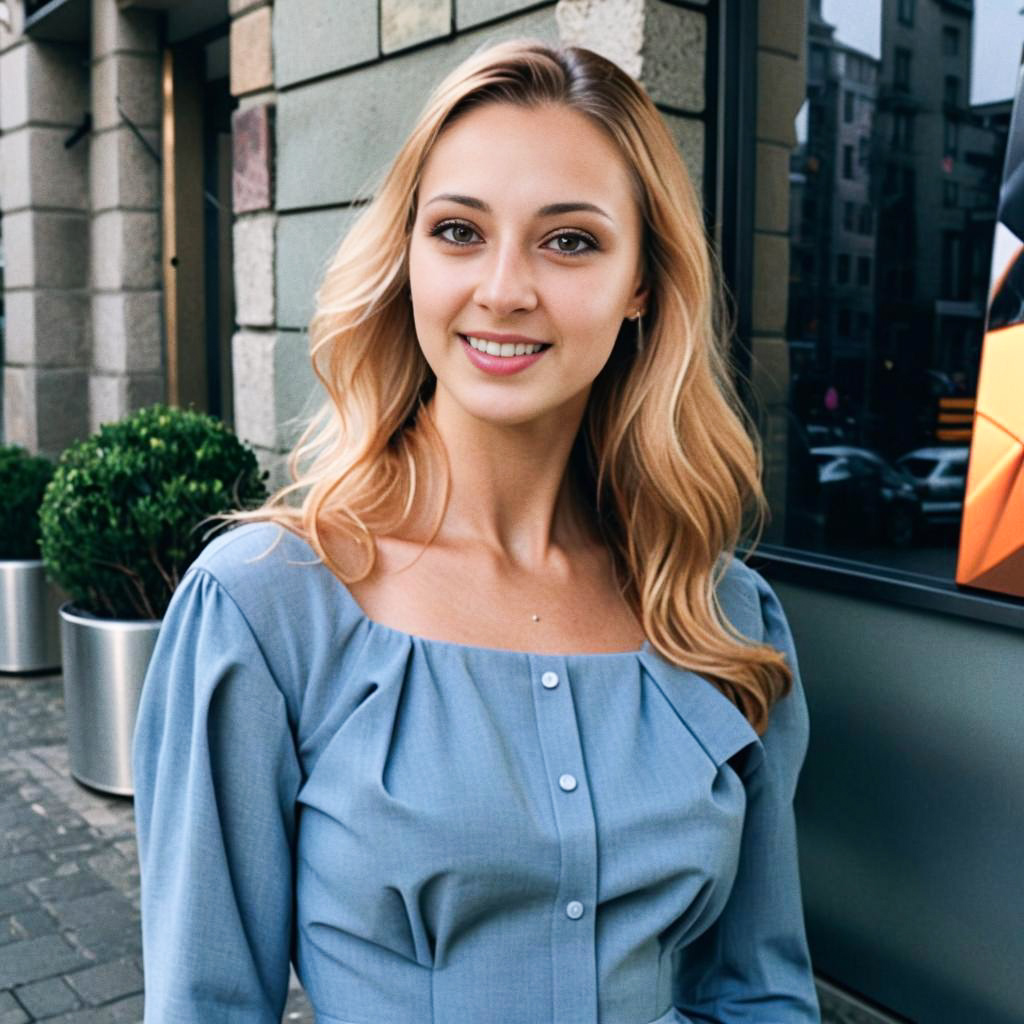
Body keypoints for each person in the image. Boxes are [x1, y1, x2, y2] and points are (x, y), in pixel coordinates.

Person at [132, 39, 821, 1023]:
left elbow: (760, 991)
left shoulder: (721, 616)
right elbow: (204, 1003)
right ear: (407, 258)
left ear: (641, 284)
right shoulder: (264, 605)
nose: (503, 288)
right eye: (458, 231)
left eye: (570, 240)